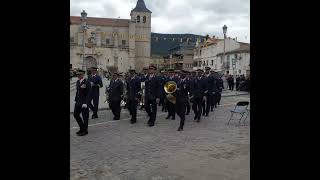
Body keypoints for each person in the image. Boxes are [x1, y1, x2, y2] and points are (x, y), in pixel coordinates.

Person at [73, 70, 91, 136]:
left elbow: (89, 93)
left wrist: (86, 103)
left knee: (85, 117)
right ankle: (82, 128)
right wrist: (76, 99)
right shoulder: (78, 82)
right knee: (75, 114)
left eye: (79, 74)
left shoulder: (87, 82)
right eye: (77, 75)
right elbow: (77, 91)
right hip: (78, 101)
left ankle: (85, 130)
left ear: (83, 75)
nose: (78, 76)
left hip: (84, 102)